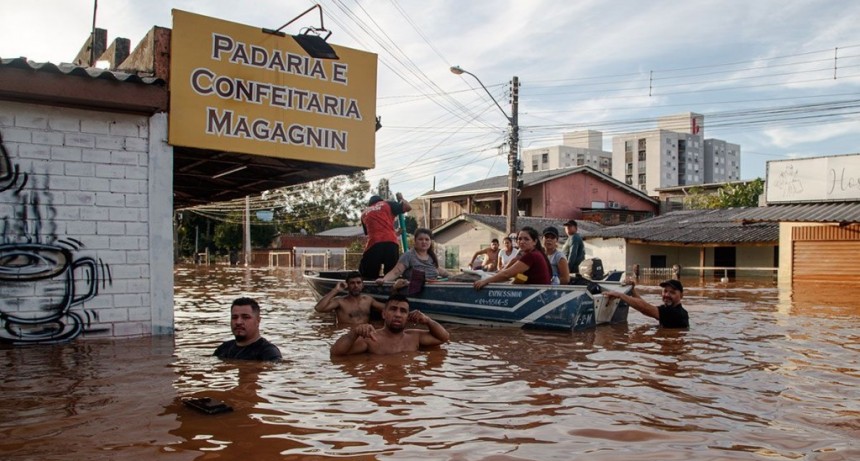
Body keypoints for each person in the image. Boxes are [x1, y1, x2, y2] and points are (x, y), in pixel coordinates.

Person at [330, 293, 450, 356]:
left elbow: (444, 337)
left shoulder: (414, 337)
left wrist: (428, 320)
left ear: (407, 317)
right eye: (393, 309)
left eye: (403, 311)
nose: (398, 314)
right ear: (383, 314)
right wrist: (354, 332)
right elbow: (336, 353)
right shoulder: (371, 339)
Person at [473, 227, 552, 289]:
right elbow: (512, 272)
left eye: (526, 239)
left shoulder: (532, 256)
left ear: (534, 242)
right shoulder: (533, 253)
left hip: (538, 294)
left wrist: (485, 281)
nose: (522, 242)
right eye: (519, 239)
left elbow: (507, 274)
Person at [358, 193, 412, 279]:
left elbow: (373, 232)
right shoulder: (387, 204)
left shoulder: (364, 213)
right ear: (380, 200)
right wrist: (401, 198)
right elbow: (408, 207)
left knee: (368, 273)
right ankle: (390, 289)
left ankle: (369, 287)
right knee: (391, 273)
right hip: (391, 242)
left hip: (374, 243)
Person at [214, 297, 282, 361]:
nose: (238, 322)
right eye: (234, 317)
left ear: (258, 321)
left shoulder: (268, 352)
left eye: (245, 317)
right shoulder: (223, 349)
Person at [604, 279, 689, 328]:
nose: (667, 295)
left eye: (672, 292)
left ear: (681, 295)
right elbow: (646, 307)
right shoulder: (671, 310)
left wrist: (620, 295)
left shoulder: (676, 313)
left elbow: (645, 308)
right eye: (665, 291)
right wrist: (632, 291)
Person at [376, 228, 450, 284]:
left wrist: (455, 277)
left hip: (435, 288)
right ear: (415, 241)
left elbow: (440, 271)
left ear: (430, 242)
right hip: (414, 290)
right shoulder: (408, 256)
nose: (424, 242)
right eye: (420, 239)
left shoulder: (432, 257)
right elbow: (396, 272)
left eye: (427, 239)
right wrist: (383, 280)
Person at [314, 271, 385, 324]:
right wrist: (336, 290)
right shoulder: (340, 301)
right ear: (347, 285)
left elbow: (387, 309)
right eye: (352, 283)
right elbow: (319, 308)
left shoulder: (368, 300)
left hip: (363, 336)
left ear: (363, 285)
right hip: (346, 334)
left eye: (358, 283)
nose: (356, 286)